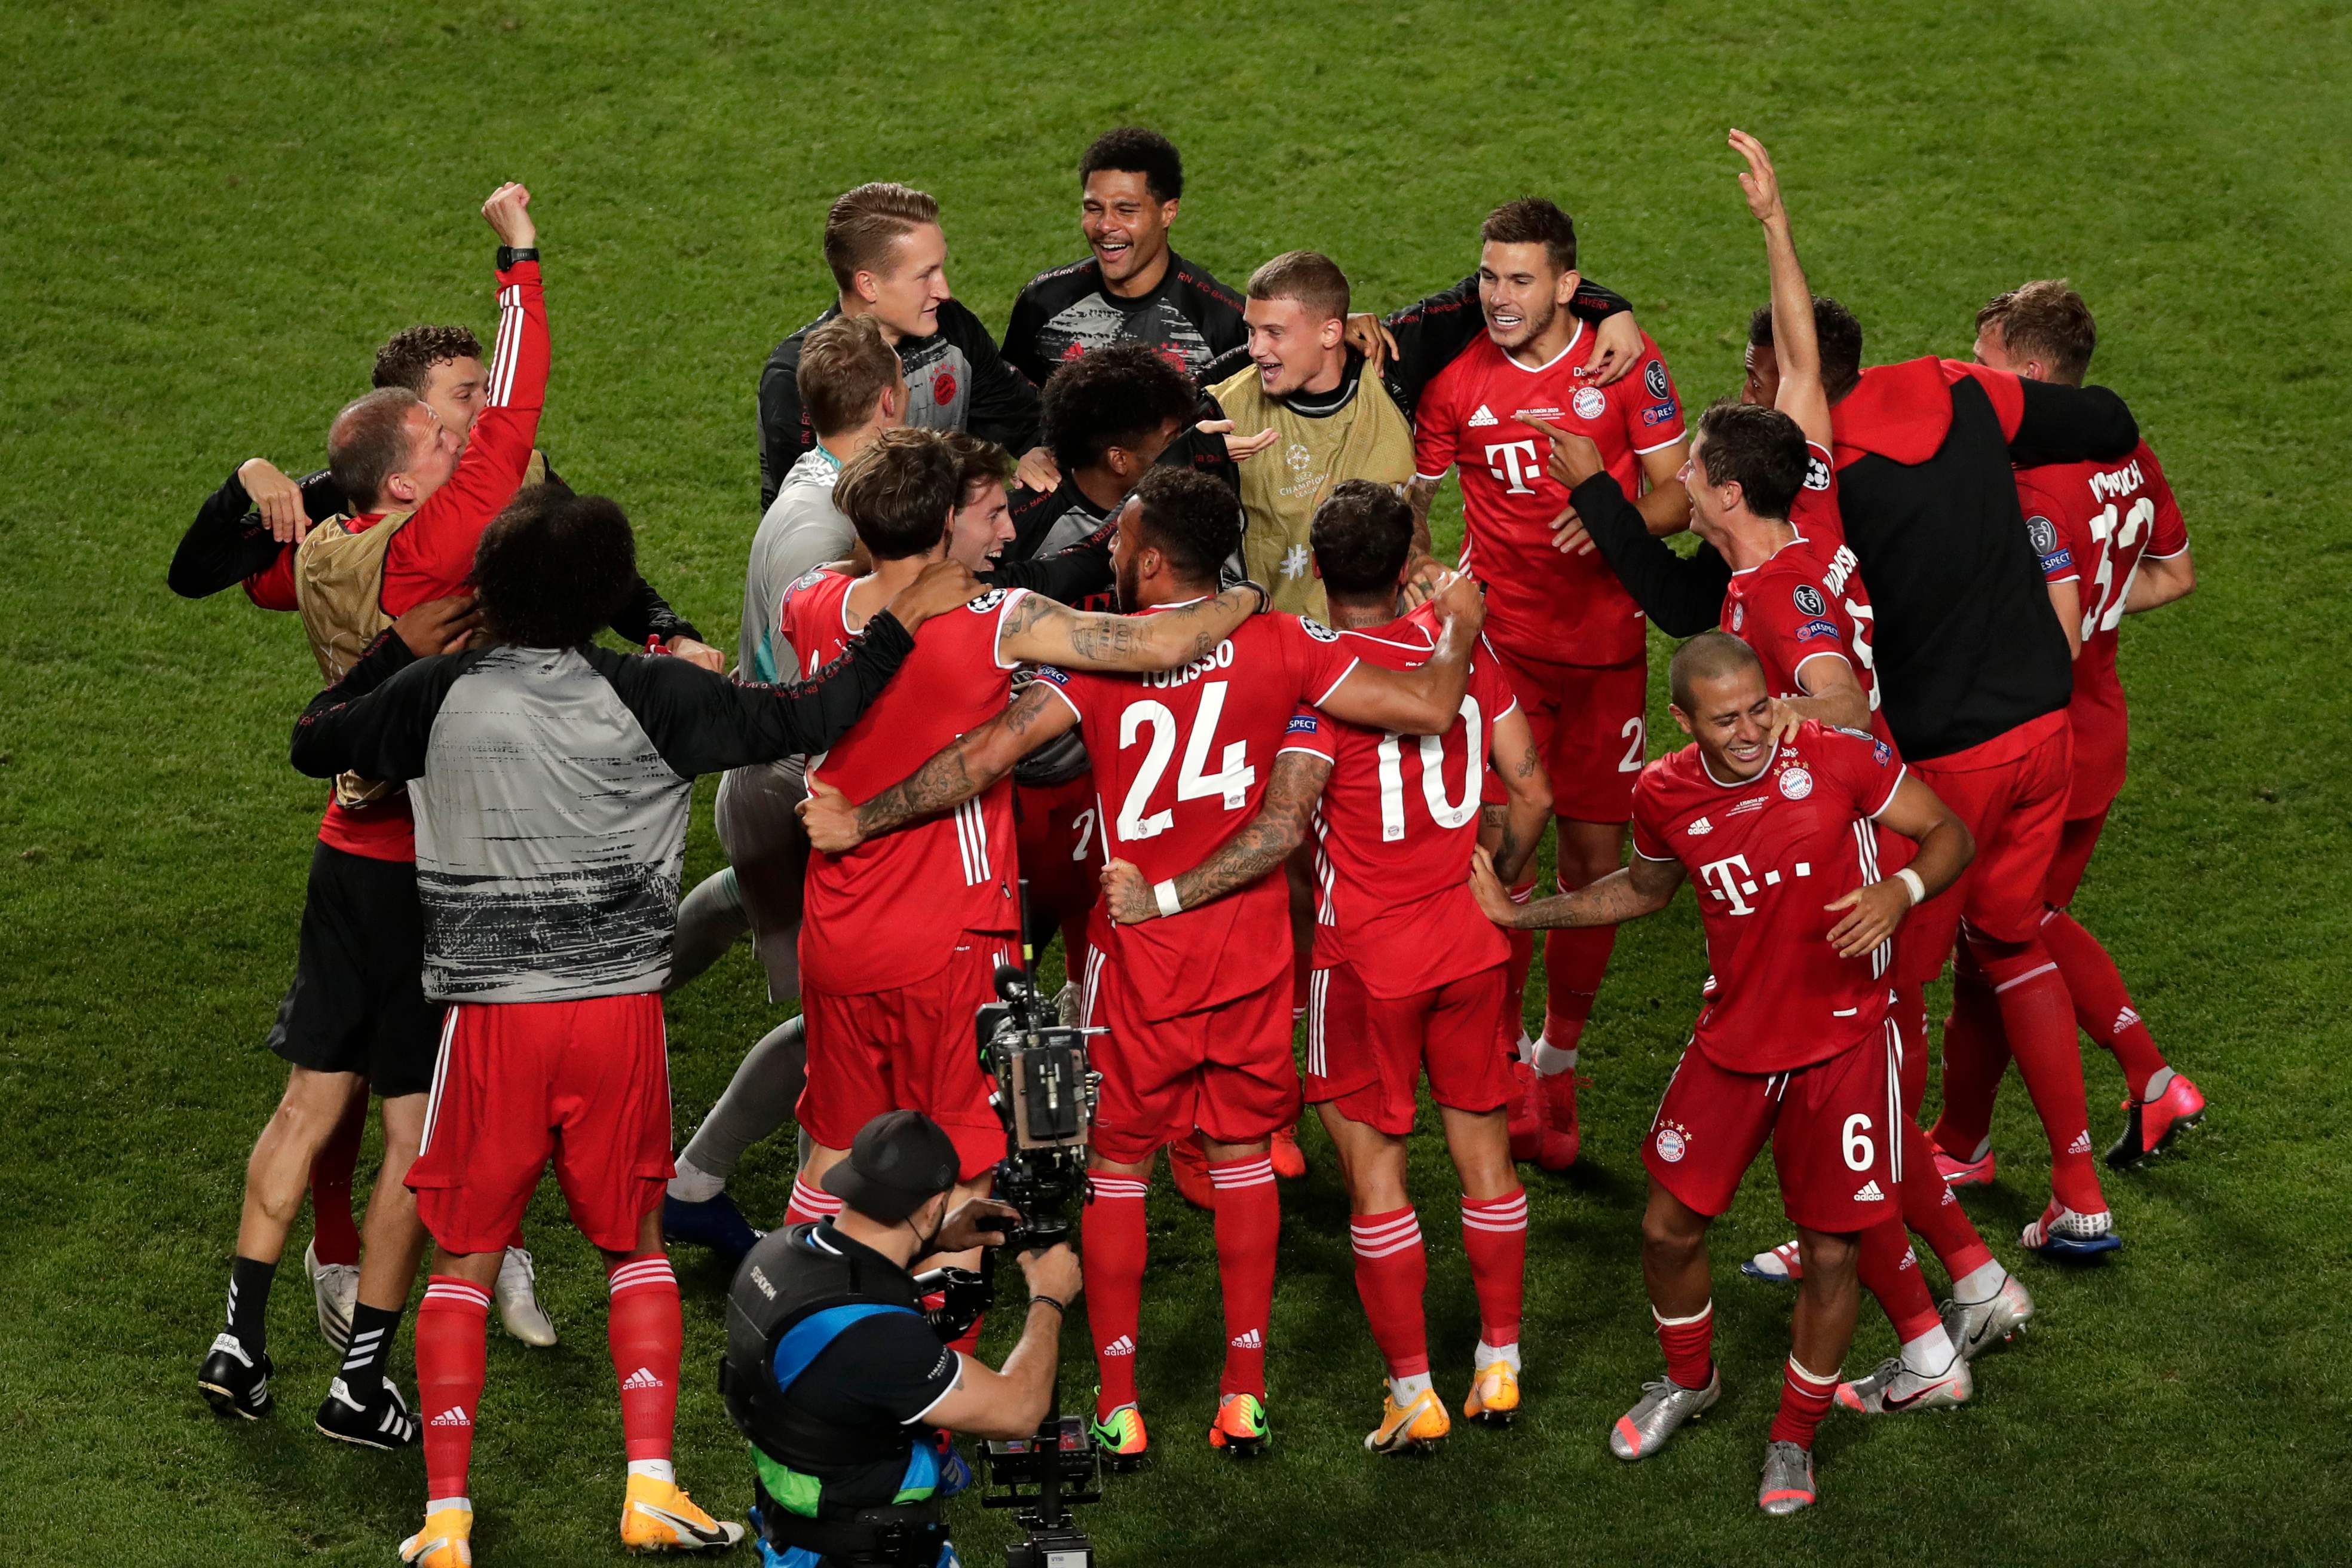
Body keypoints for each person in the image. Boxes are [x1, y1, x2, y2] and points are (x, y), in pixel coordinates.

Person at [286, 484, 983, 1563]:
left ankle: (447, 1514)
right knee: (634, 1242)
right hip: (617, 1018)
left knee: (464, 1253)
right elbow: (813, 713)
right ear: (608, 591)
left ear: (494, 591)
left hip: (492, 1020)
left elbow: (312, 739)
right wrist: (903, 619)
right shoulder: (659, 695)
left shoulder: (431, 690)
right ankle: (650, 1483)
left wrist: (393, 644)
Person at [797, 466, 1491, 1466]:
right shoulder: (1282, 642)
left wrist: (862, 815)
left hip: (1138, 962)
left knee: (1118, 1168)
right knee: (1244, 1156)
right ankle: (1242, 1392)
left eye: (1121, 540)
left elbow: (983, 757)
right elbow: (1428, 707)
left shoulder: (1096, 659)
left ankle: (1119, 1402)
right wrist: (1459, 623)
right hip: (1250, 956)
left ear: (1151, 557)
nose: (1111, 553)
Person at [1549, 136, 2036, 1386]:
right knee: (1858, 1110)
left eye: (1692, 467)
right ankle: (1974, 1285)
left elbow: (1839, 701)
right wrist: (1773, 220)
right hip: (1869, 835)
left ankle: (1931, 1339)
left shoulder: (1774, 601)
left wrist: (1768, 730)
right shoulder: (1807, 499)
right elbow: (1806, 361)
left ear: (1713, 488)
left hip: (1851, 865)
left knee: (1846, 1124)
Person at [173, 294, 711, 1361]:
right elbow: (210, 571)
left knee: (324, 1078)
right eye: (461, 399)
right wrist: (521, 258)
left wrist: (658, 621)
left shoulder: (348, 530)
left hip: (358, 829)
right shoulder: (416, 520)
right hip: (449, 848)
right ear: (407, 438)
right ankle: (373, 1312)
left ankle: (255, 1328)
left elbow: (581, 563)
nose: (484, 409)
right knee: (422, 1107)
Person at [193, 182, 567, 1449]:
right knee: (421, 1132)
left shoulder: (323, 548)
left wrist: (253, 474)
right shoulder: (429, 546)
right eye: (435, 439)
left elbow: (223, 561)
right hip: (432, 863)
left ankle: (238, 1338)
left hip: (342, 848)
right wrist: (521, 258)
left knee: (307, 1106)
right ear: (406, 469)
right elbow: (513, 414)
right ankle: (362, 1376)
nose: (457, 448)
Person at [1469, 632, 1974, 1514]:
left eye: (1758, 709)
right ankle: (1688, 1380)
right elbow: (1642, 889)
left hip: (1845, 1042)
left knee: (1829, 1252)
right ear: (1683, 722)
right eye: (1727, 720)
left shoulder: (1838, 755)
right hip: (1735, 1040)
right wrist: (1519, 914)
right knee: (1666, 1230)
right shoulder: (1661, 791)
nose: (1752, 733)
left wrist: (1903, 893)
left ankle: (1793, 1435)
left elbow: (1947, 831)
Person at [1104, 481, 1550, 1453]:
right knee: (1485, 1162)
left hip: (1365, 961)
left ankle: (1412, 1390)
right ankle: (1500, 1361)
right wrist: (1499, 883)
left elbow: (1287, 817)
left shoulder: (1316, 671)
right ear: (1403, 565)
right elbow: (1532, 795)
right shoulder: (1465, 655)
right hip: (1474, 946)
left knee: (1378, 1176)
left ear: (1314, 563)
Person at [768, 435, 1267, 1287]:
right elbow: (1160, 647)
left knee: (835, 1147)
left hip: (838, 925)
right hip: (949, 931)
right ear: (942, 525)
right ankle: (934, 1364)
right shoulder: (1000, 622)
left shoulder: (809, 601)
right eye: (992, 512)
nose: (1007, 528)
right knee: (966, 1157)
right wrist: (1247, 591)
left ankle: (793, 1312)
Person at [1405, 196, 1693, 1172]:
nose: (1499, 296)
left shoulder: (1626, 364)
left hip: (1607, 657)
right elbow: (1417, 502)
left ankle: (1556, 1058)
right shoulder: (1456, 383)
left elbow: (1679, 492)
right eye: (1488, 276)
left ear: (1569, 285)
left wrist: (1612, 513)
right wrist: (1425, 578)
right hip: (1509, 657)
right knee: (1503, 849)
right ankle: (1494, 1055)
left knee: (1591, 861)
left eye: (1520, 278)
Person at [664, 313, 913, 1264]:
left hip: (777, 788)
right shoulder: (820, 525)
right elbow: (834, 674)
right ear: (889, 399)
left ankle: (628, 985)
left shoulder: (827, 491)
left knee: (753, 903)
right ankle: (703, 1181)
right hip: (796, 785)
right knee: (839, 1026)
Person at [1967, 279, 2204, 1169]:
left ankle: (2150, 1076)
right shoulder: (2126, 450)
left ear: (2030, 372)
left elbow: (2052, 642)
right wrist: (2101, 604)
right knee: (1992, 945)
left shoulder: (2030, 478)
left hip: (2039, 744)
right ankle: (1964, 1139)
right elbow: (2175, 577)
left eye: (1985, 369)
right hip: (2101, 735)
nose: (1971, 382)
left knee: (2010, 922)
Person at [721, 1110, 1083, 1568]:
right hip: (864, 1553)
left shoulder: (774, 1254)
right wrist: (1048, 1299)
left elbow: (846, 1282)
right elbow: (1020, 1410)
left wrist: (934, 1238)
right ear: (933, 1206)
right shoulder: (876, 1338)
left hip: (798, 1535)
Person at [758, 183, 1039, 509]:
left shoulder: (952, 328)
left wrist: (1039, 451)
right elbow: (807, 512)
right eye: (925, 276)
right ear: (868, 285)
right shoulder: (799, 376)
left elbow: (1021, 418)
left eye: (941, 267)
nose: (944, 291)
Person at [1191, 252, 1419, 621]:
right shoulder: (1221, 410)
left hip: (1383, 644)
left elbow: (1477, 295)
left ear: (1330, 332)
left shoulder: (1392, 370)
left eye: (1274, 333)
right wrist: (1194, 452)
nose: (1255, 348)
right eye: (1252, 329)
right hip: (1280, 651)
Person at [1002, 127, 1245, 388]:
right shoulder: (1043, 303)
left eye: (1126, 210)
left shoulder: (1224, 321)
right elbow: (1010, 413)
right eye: (1094, 209)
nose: (1105, 226)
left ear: (1168, 213)